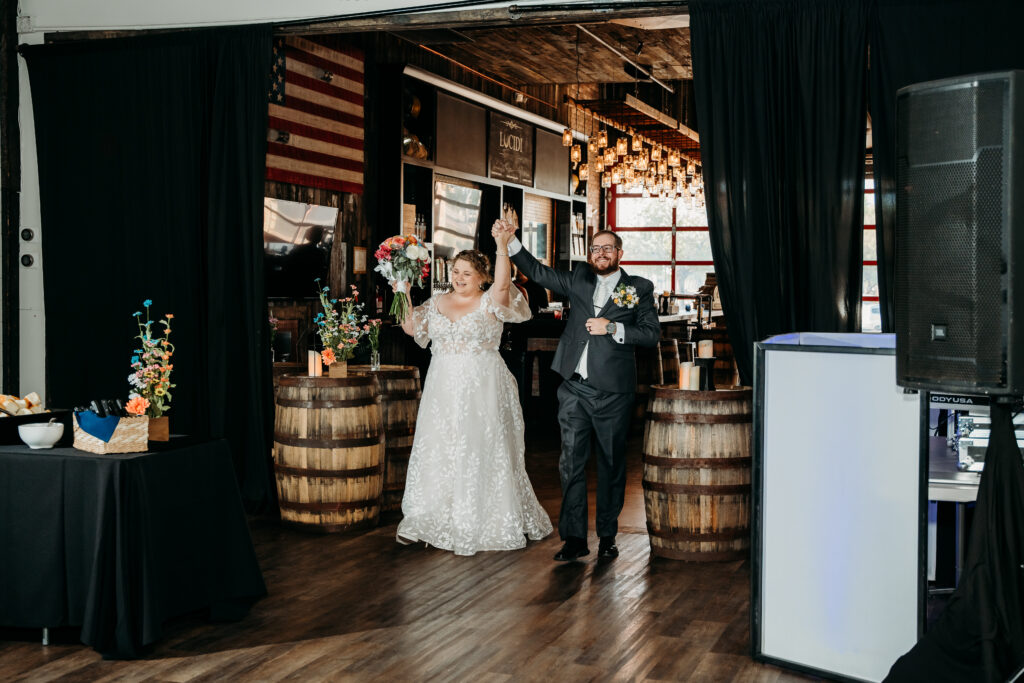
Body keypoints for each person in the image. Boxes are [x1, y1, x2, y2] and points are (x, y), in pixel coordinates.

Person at [493, 220, 660, 562]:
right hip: (574, 388)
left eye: (607, 248)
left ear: (619, 254)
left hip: (614, 392)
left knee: (612, 464)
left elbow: (650, 334)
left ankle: (608, 536)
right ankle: (573, 539)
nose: (600, 253)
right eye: (595, 248)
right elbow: (538, 273)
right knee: (570, 462)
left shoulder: (639, 287)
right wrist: (511, 243)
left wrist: (612, 327)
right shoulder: (578, 278)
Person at [391, 242, 553, 556]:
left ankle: (481, 518)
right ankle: (434, 516)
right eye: (455, 271)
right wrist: (403, 290)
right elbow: (411, 328)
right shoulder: (437, 301)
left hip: (483, 384)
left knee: (478, 446)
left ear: (482, 277)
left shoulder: (491, 301)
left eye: (467, 273)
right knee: (442, 445)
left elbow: (504, 284)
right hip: (443, 386)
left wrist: (503, 247)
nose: (460, 277)